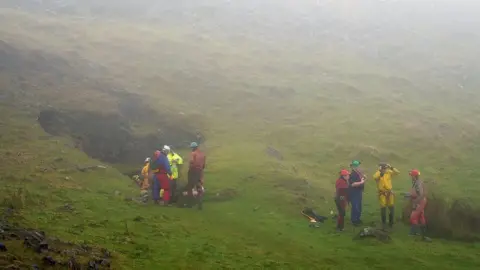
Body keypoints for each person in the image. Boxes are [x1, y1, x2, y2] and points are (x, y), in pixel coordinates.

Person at [373, 163, 400, 229]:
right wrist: (380, 171)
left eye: (385, 168)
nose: (385, 169)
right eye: (383, 168)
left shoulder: (389, 172)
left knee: (391, 207)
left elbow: (397, 172)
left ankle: (391, 223)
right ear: (381, 168)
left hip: (389, 192)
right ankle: (384, 223)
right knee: (383, 208)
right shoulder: (378, 174)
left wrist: (391, 167)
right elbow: (374, 177)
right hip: (382, 193)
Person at [408, 169, 431, 241]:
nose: (411, 177)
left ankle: (415, 232)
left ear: (414, 176)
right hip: (421, 201)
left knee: (413, 217)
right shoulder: (417, 182)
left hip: (420, 201)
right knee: (421, 216)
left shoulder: (418, 183)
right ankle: (423, 233)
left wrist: (416, 202)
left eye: (411, 175)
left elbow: (421, 194)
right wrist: (410, 195)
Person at [185, 142, 206, 209]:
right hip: (200, 171)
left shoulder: (193, 153)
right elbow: (204, 165)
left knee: (190, 187)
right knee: (199, 187)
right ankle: (200, 203)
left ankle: (190, 204)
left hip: (193, 171)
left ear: (193, 147)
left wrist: (190, 169)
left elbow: (191, 162)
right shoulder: (202, 154)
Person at [349, 160, 366, 226]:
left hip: (359, 192)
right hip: (354, 192)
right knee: (355, 206)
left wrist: (363, 178)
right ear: (354, 167)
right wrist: (361, 182)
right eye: (358, 166)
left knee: (359, 206)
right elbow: (352, 184)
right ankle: (354, 220)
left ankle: (358, 219)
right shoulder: (352, 174)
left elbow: (361, 180)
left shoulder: (358, 173)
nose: (359, 167)